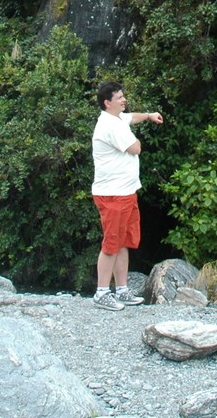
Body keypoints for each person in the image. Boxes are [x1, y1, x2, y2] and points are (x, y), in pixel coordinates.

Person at [90, 80, 163, 310]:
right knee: (111, 243)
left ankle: (121, 290)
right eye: (119, 97)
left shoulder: (118, 118)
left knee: (123, 243)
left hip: (125, 192)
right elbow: (136, 148)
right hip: (112, 195)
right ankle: (102, 292)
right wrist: (137, 138)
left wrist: (150, 115)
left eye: (123, 95)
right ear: (107, 102)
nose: (124, 100)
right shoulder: (110, 126)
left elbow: (132, 117)